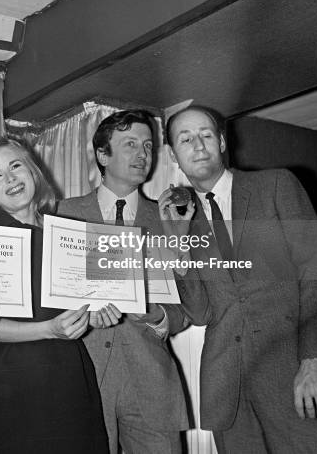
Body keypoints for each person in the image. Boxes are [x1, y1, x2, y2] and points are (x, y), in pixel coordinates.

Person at [161, 104, 317, 453]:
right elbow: (199, 312)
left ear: (223, 142)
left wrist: (314, 360)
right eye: (185, 139)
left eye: (206, 135)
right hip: (228, 389)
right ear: (172, 154)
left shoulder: (276, 184)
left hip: (295, 375)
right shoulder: (186, 222)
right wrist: (178, 246)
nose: (198, 145)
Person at [57, 109, 190, 454]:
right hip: (80, 375)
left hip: (151, 379)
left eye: (147, 146)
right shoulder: (62, 215)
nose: (142, 154)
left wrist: (157, 315)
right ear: (102, 155)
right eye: (130, 144)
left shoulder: (169, 221)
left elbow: (188, 305)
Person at [0, 136, 109, 454]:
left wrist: (101, 310)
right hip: (16, 385)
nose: (11, 179)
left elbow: (94, 302)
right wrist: (49, 330)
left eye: (16, 166)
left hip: (72, 376)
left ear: (33, 170)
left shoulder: (70, 230)